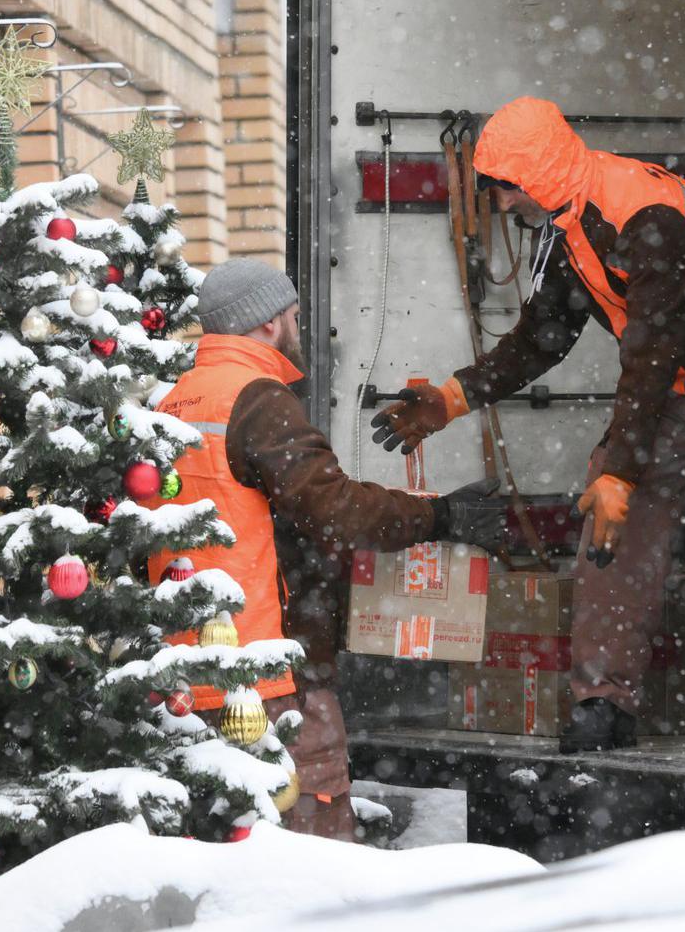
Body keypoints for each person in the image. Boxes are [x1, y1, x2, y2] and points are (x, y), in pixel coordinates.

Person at [371, 97, 685, 753]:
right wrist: (450, 398)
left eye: (506, 190)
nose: (502, 206)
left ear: (539, 173)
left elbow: (651, 350)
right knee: (612, 523)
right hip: (675, 381)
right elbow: (543, 337)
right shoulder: (570, 223)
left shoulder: (644, 218)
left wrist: (621, 469)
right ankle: (604, 704)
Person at [148, 258, 506, 836]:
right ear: (266, 323)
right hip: (271, 668)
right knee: (313, 837)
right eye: (292, 314)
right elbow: (333, 509)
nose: (297, 326)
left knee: (225, 840)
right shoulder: (258, 400)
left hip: (193, 663)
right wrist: (441, 514)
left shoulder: (178, 401)